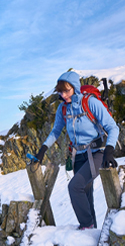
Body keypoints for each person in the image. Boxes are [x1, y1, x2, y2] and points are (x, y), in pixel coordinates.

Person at [34, 71, 119, 230]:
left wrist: (109, 150)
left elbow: (112, 127)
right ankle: (91, 233)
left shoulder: (90, 103)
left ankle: (86, 226)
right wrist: (43, 149)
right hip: (78, 156)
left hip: (97, 153)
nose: (64, 95)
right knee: (86, 197)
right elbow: (56, 131)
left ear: (75, 88)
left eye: (67, 90)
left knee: (74, 187)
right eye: (61, 91)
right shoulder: (63, 109)